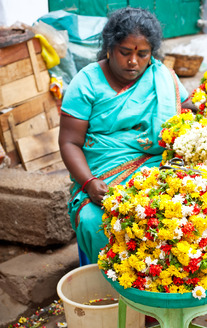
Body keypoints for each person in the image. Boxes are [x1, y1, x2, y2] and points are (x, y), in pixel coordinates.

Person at [59, 6, 192, 263]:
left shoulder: (160, 77)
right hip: (103, 176)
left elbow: (183, 110)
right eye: (125, 52)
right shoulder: (86, 83)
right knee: (94, 221)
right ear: (110, 48)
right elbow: (69, 142)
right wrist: (88, 183)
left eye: (143, 54)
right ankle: (110, 285)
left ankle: (164, 280)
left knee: (181, 210)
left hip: (158, 167)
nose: (134, 62)